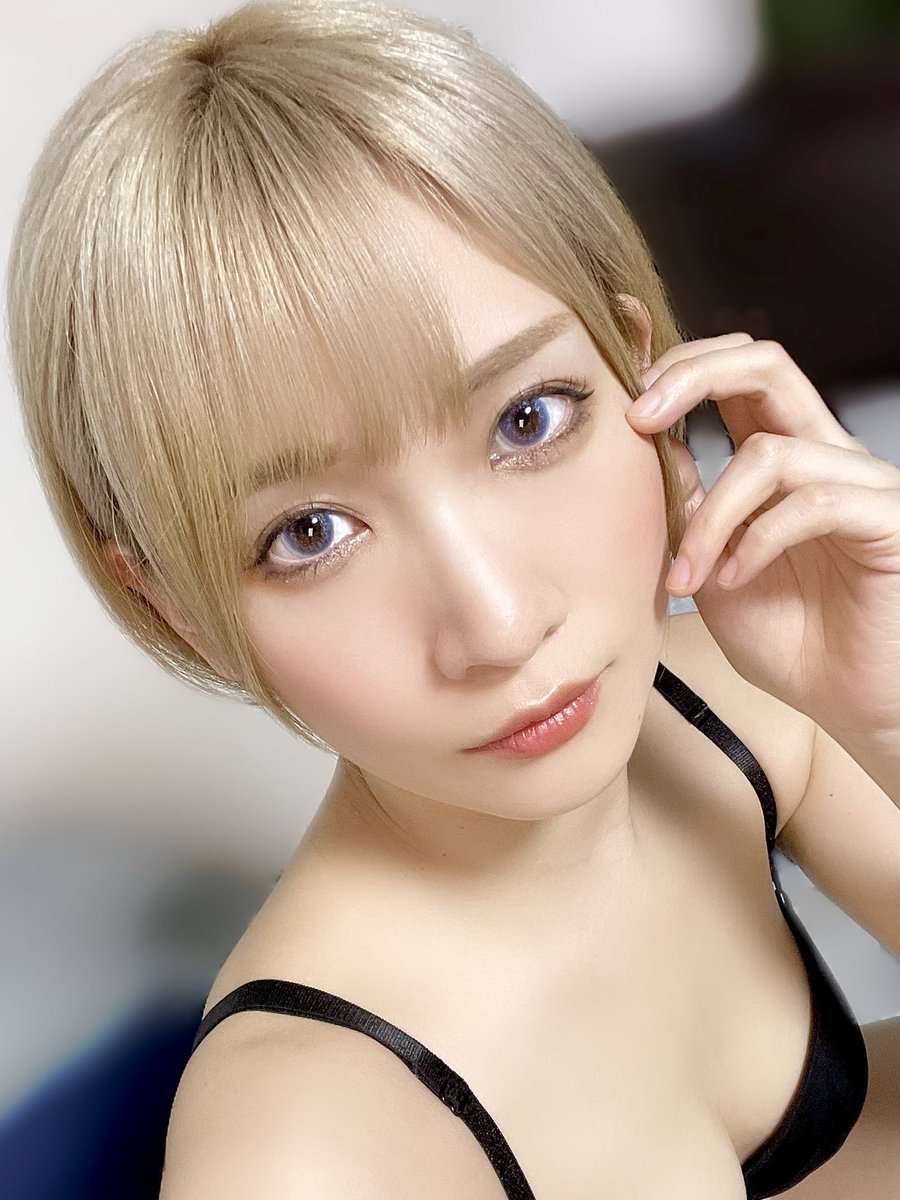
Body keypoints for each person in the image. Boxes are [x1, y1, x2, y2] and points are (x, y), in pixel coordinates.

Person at [7, 2, 900, 1197]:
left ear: (637, 367)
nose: (498, 626)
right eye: (310, 534)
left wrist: (887, 708)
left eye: (528, 419)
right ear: (173, 608)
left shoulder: (724, 703)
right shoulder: (301, 1152)